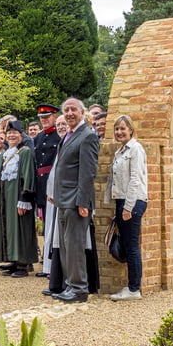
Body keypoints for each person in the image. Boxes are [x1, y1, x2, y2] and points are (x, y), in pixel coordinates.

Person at [53, 98, 100, 303]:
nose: (69, 113)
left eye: (73, 109)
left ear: (82, 112)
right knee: (65, 246)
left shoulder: (87, 136)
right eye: (66, 110)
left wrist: (83, 202)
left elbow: (88, 173)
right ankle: (71, 285)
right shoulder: (68, 135)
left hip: (75, 201)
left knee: (75, 245)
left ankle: (80, 289)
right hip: (62, 201)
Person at [106, 114, 148, 301]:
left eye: (123, 128)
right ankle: (132, 286)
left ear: (131, 130)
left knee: (131, 246)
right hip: (122, 201)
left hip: (133, 201)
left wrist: (128, 207)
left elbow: (135, 179)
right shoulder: (120, 151)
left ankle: (133, 288)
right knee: (128, 244)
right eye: (117, 129)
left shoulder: (135, 149)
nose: (119, 132)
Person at [0, 120, 37, 278]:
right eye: (9, 133)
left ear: (21, 135)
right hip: (5, 197)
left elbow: (27, 174)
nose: (11, 135)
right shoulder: (5, 154)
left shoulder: (24, 151)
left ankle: (23, 263)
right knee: (9, 228)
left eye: (14, 133)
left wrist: (24, 198)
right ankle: (13, 259)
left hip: (17, 197)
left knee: (20, 228)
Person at [33, 103, 61, 273]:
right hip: (40, 183)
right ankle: (45, 257)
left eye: (47, 117)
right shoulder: (38, 137)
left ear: (55, 117)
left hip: (53, 181)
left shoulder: (59, 136)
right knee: (43, 221)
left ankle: (50, 258)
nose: (44, 120)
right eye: (42, 118)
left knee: (52, 222)